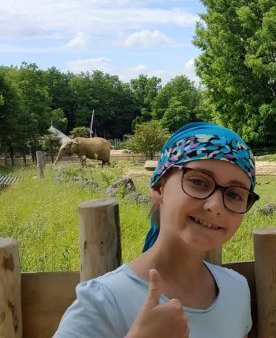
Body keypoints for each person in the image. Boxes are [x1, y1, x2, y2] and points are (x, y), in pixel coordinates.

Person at [54, 122, 259, 338]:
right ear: (158, 188)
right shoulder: (101, 303)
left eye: (234, 195)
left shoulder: (236, 290)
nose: (215, 206)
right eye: (199, 181)